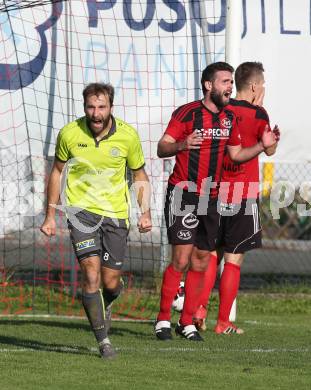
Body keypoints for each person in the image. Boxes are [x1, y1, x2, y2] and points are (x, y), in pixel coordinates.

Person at [155, 62, 278, 341]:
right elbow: (162, 147)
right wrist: (181, 145)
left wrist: (262, 144)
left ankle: (186, 322)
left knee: (200, 260)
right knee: (181, 259)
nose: (229, 87)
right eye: (224, 82)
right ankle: (162, 319)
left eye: (231, 82)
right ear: (209, 85)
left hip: (212, 197)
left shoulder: (229, 118)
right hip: (184, 194)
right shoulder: (187, 113)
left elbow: (235, 155)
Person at [40, 83, 152, 358]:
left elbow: (139, 176)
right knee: (90, 273)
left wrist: (145, 212)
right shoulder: (69, 133)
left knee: (109, 281)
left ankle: (110, 296)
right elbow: (57, 172)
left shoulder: (127, 136)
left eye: (101, 107)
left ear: (111, 107)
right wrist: (50, 214)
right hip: (80, 212)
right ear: (84, 107)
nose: (96, 113)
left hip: (115, 214)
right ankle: (104, 343)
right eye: (91, 107)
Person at [192, 62, 280, 334]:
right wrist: (263, 114)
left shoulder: (221, 109)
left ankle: (198, 310)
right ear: (254, 86)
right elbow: (270, 150)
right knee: (233, 258)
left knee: (210, 256)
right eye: (262, 85)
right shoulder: (258, 113)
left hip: (214, 190)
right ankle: (223, 322)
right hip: (243, 193)